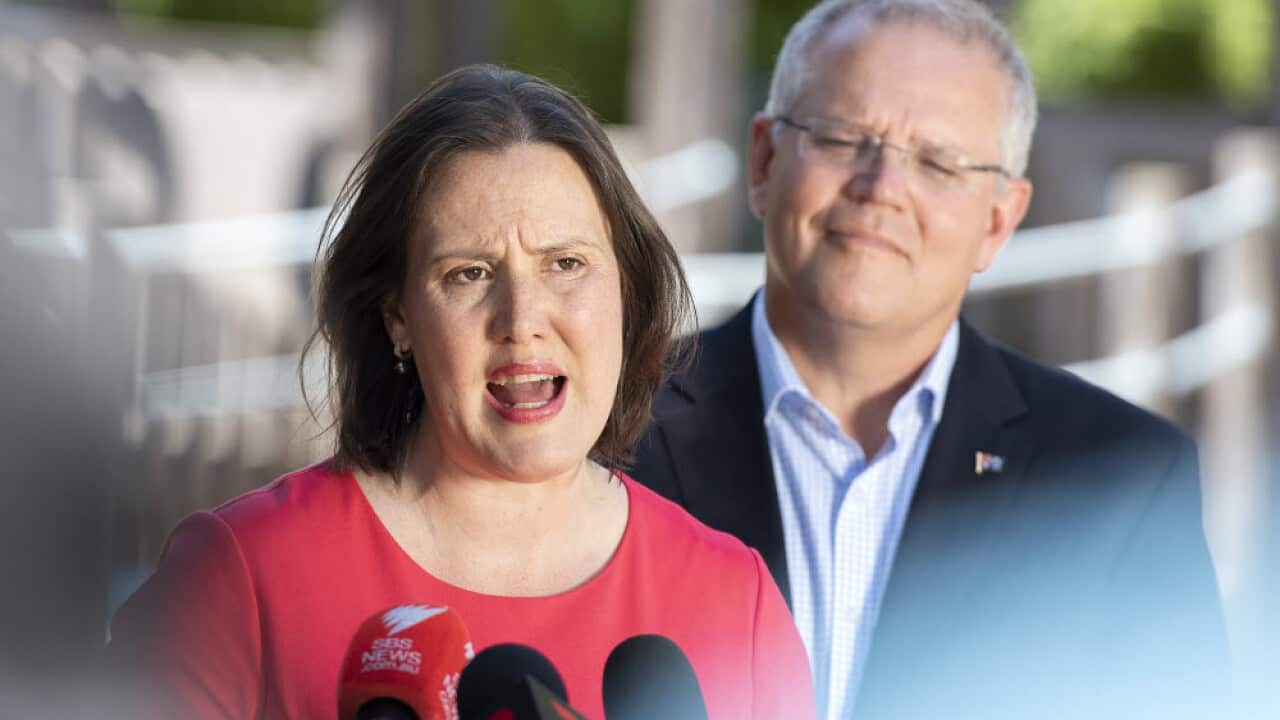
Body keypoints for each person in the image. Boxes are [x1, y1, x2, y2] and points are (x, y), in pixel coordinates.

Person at [107, 65, 814, 720]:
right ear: (398, 318)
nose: (523, 321)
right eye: (469, 274)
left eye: (566, 264)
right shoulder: (244, 577)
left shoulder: (734, 602)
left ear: (626, 290)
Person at [630, 1, 1228, 718]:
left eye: (939, 162)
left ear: (998, 220)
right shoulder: (609, 430)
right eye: (845, 138)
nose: (881, 189)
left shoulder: (1120, 481)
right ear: (764, 161)